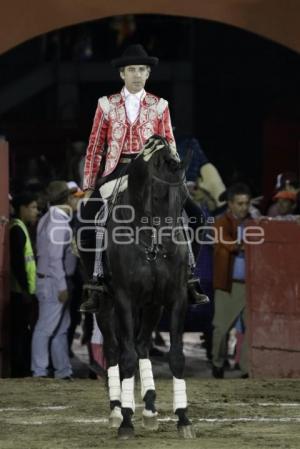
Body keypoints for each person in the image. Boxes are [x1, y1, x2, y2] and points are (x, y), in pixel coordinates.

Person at [78, 44, 205, 312]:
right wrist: (90, 186)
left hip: (154, 173)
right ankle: (95, 283)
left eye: (142, 70)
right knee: (86, 224)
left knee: (196, 217)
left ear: (148, 74)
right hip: (117, 172)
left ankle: (189, 276)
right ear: (122, 74)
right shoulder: (106, 104)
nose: (137, 74)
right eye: (132, 70)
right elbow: (94, 147)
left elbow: (169, 145)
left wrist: (178, 183)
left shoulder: (160, 105)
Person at [31, 181, 77, 379]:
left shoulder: (48, 218)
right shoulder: (59, 223)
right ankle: (39, 371)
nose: (76, 201)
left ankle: (62, 370)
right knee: (46, 328)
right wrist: (62, 286)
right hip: (54, 282)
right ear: (66, 199)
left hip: (49, 280)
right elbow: (55, 259)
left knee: (61, 327)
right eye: (74, 197)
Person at [211, 183, 250, 379]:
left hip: (251, 286)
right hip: (229, 285)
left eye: (246, 203)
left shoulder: (253, 222)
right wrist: (245, 245)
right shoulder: (221, 222)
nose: (244, 207)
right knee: (221, 327)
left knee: (251, 328)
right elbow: (229, 243)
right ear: (230, 204)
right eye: (240, 203)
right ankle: (217, 364)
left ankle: (246, 369)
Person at [10, 192, 39, 376]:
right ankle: (20, 369)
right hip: (20, 291)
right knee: (20, 332)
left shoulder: (19, 227)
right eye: (33, 207)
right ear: (23, 208)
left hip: (22, 290)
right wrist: (26, 290)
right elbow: (19, 263)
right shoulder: (18, 229)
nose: (36, 211)